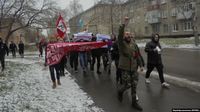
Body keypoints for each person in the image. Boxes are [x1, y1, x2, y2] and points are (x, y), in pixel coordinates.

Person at [117, 17, 143, 111]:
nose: (128, 36)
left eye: (129, 34)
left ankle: (134, 103)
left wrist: (140, 65)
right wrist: (124, 24)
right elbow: (119, 35)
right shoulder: (121, 43)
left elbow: (137, 55)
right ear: (124, 36)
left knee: (134, 85)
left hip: (134, 67)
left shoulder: (133, 44)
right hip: (125, 68)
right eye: (126, 34)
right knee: (127, 85)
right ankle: (120, 92)